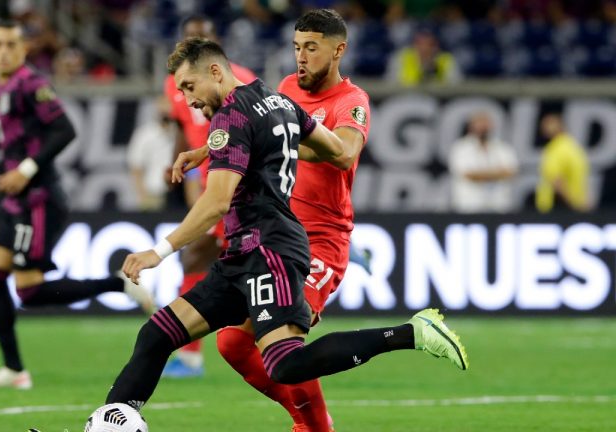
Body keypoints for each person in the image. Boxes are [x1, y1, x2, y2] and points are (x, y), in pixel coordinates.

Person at [104, 38, 468, 424]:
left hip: (270, 252)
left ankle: (410, 333)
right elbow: (334, 149)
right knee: (158, 335)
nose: (188, 100)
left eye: (189, 87)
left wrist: (157, 252)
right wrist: (211, 150)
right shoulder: (277, 100)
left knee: (285, 363)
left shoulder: (230, 117)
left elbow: (216, 202)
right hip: (245, 254)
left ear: (215, 71)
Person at [0, 20, 153, 391]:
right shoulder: (4, 87)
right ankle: (14, 370)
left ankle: (116, 283)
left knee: (28, 291)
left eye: (11, 45)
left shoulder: (32, 84)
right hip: (16, 200)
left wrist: (27, 169)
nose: (2, 52)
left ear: (24, 49)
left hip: (39, 201)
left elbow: (66, 130)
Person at [160, 14, 257, 378]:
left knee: (198, 259)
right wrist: (181, 166)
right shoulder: (175, 84)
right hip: (208, 176)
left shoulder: (240, 79)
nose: (193, 41)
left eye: (201, 35)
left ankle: (190, 356)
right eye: (188, 37)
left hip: (234, 181)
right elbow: (185, 130)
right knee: (212, 261)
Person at [449, 112, 518, 213]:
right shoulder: (461, 148)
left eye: (485, 125)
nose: (483, 128)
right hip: (469, 206)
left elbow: (511, 172)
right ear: (471, 126)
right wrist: (497, 173)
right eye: (479, 124)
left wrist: (481, 174)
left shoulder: (502, 147)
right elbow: (468, 174)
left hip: (499, 206)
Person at [127, 96, 175, 211]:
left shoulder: (181, 133)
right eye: (162, 104)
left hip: (177, 194)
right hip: (153, 193)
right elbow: (136, 167)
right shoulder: (145, 134)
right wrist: (143, 196)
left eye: (169, 104)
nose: (165, 109)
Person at [535, 113, 591, 213]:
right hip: (575, 204)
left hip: (557, 207)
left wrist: (571, 202)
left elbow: (556, 180)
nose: (544, 127)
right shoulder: (574, 146)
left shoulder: (555, 148)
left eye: (549, 124)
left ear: (560, 125)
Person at [385, 27, 462, 86]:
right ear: (414, 44)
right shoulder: (401, 57)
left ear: (436, 45)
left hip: (439, 100)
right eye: (420, 43)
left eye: (429, 44)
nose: (424, 48)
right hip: (405, 98)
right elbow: (390, 83)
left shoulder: (446, 59)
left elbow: (456, 85)